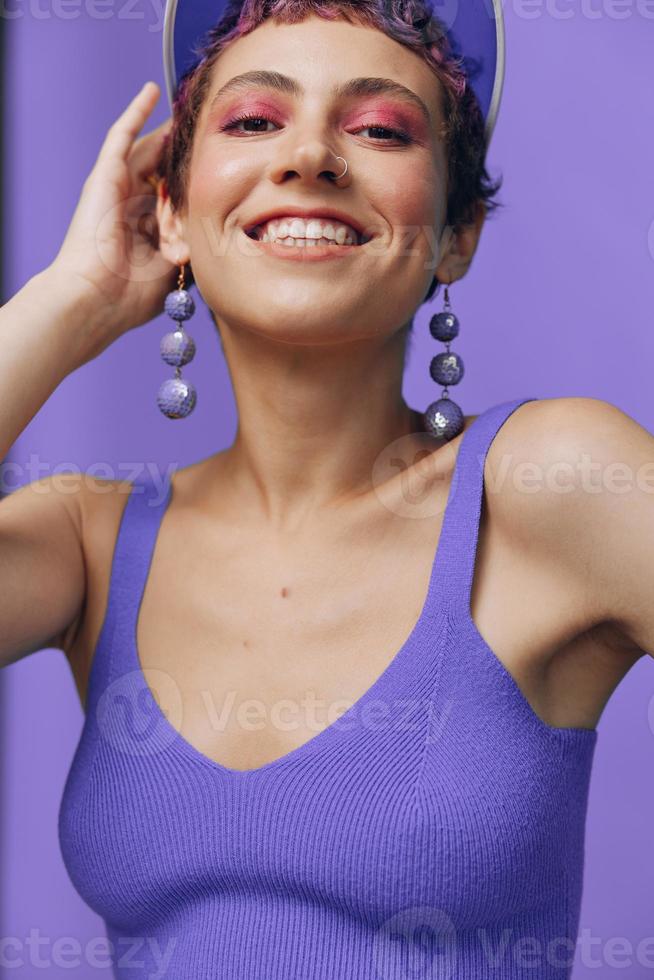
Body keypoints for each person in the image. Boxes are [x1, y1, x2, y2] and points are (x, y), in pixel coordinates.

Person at [1, 1, 653, 977]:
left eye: (380, 130)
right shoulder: (88, 540)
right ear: (170, 208)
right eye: (255, 120)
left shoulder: (548, 484)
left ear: (456, 235)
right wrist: (68, 300)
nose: (309, 155)